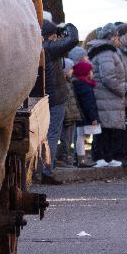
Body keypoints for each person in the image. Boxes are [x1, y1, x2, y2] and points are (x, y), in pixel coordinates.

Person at [40, 19, 80, 184]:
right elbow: (73, 39)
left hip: (41, 98)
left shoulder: (36, 48)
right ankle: (47, 171)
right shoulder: (49, 48)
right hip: (55, 98)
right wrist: (67, 26)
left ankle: (38, 170)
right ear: (51, 36)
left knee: (40, 136)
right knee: (51, 135)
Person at [87, 23, 127, 167]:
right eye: (117, 36)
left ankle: (107, 157)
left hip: (107, 97)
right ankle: (100, 156)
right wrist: (122, 89)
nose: (118, 39)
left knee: (107, 128)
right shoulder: (106, 52)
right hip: (107, 96)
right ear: (112, 37)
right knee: (105, 129)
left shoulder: (105, 50)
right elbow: (108, 77)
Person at [69, 47, 99, 167]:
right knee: (80, 136)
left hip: (81, 115)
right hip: (84, 116)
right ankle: (81, 159)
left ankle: (79, 158)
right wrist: (93, 118)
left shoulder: (77, 83)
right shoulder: (85, 86)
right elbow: (88, 103)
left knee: (79, 136)